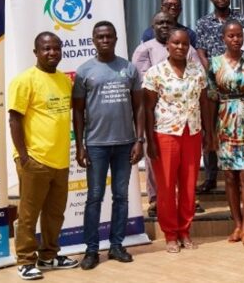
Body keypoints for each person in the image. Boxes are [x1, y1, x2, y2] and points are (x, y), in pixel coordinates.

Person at [73, 21, 145, 269]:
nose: (105, 40)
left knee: (121, 197)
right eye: (100, 37)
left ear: (116, 39)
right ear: (93, 40)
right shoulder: (84, 71)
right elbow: (77, 111)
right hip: (96, 145)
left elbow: (139, 107)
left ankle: (116, 245)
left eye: (109, 36)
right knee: (94, 197)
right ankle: (91, 250)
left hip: (125, 143)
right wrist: (80, 146)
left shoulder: (129, 68)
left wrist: (139, 140)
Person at [9, 32, 78, 280]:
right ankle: (25, 261)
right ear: (36, 52)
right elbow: (14, 119)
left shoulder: (64, 81)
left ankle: (48, 256)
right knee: (29, 215)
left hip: (60, 160)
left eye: (56, 48)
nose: (52, 53)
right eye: (46, 49)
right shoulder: (24, 80)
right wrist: (24, 157)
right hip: (35, 160)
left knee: (54, 214)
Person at [143, 28, 209, 253]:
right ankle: (170, 234)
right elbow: (148, 108)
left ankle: (185, 231)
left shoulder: (197, 70)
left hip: (192, 133)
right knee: (167, 187)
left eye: (184, 44)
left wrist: (208, 133)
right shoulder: (155, 72)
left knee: (189, 186)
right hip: (165, 134)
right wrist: (150, 141)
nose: (180, 47)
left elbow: (204, 102)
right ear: (168, 45)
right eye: (176, 43)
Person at [132, 11, 203, 217]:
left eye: (168, 22)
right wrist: (146, 137)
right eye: (160, 23)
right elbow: (144, 97)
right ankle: (161, 211)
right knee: (164, 180)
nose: (180, 47)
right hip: (163, 128)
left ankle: (184, 226)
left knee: (188, 182)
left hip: (191, 128)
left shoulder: (194, 66)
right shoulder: (147, 55)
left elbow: (202, 94)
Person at [206, 20, 244, 247]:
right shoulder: (214, 63)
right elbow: (211, 98)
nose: (236, 39)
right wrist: (210, 132)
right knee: (230, 176)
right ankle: (237, 224)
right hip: (225, 121)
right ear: (223, 38)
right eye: (231, 36)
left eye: (239, 35)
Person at [195, 0, 244, 195]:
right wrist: (215, 72)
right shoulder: (203, 23)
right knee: (210, 127)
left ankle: (240, 170)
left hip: (238, 82)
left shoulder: (242, 20)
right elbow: (201, 51)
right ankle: (210, 176)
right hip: (212, 83)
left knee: (239, 126)